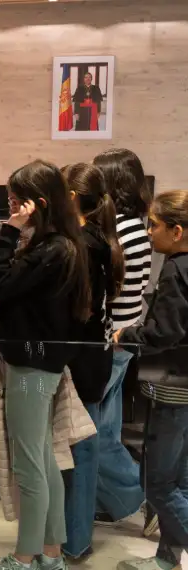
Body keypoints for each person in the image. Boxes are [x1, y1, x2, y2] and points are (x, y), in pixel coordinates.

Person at [0, 159, 92, 570]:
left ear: (37, 203)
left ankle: (24, 557)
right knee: (44, 458)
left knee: (30, 464)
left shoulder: (51, 249)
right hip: (39, 365)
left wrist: (8, 233)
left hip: (31, 369)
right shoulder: (62, 243)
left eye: (13, 202)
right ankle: (50, 552)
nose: (10, 210)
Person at [115, 190, 188, 570]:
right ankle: (166, 559)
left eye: (154, 226)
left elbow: (165, 333)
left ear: (176, 231)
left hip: (173, 389)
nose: (149, 233)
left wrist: (125, 335)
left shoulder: (176, 270)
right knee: (181, 482)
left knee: (158, 483)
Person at [60, 163, 125, 562]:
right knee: (86, 447)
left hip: (79, 359)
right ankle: (75, 535)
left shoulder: (80, 244)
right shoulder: (101, 239)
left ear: (70, 198)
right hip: (95, 356)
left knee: (80, 452)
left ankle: (75, 539)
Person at [92, 148, 158, 535]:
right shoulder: (138, 224)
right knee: (107, 428)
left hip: (109, 340)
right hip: (125, 336)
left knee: (94, 433)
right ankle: (121, 500)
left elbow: (106, 291)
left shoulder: (117, 228)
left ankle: (144, 493)